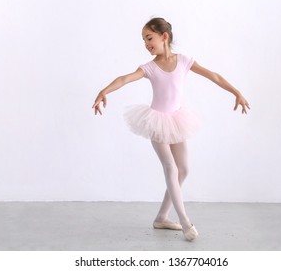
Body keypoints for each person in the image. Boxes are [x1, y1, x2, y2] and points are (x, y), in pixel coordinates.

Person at [92, 17, 250, 241]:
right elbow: (125, 78)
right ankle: (185, 222)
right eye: (144, 40)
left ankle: (161, 217)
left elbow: (213, 75)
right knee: (170, 167)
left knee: (183, 169)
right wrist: (104, 91)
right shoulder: (149, 68)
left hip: (177, 120)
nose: (146, 44)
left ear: (164, 36)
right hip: (157, 121)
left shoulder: (184, 61)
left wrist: (236, 92)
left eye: (149, 38)